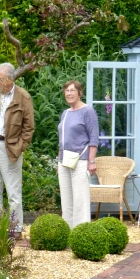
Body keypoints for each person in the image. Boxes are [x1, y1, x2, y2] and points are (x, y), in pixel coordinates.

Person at [0, 62, 35, 235]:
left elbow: (29, 128)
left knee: (13, 192)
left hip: (9, 148)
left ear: (11, 79)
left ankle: (15, 229)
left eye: (1, 79)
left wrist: (19, 148)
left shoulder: (23, 97)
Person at [58, 80, 98, 228]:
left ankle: (81, 233)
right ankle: (67, 233)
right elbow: (61, 139)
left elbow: (94, 138)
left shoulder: (88, 111)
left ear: (80, 93)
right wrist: (59, 160)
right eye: (67, 90)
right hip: (64, 161)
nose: (69, 93)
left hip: (81, 160)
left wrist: (91, 161)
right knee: (66, 200)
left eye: (72, 90)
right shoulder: (65, 113)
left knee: (80, 200)